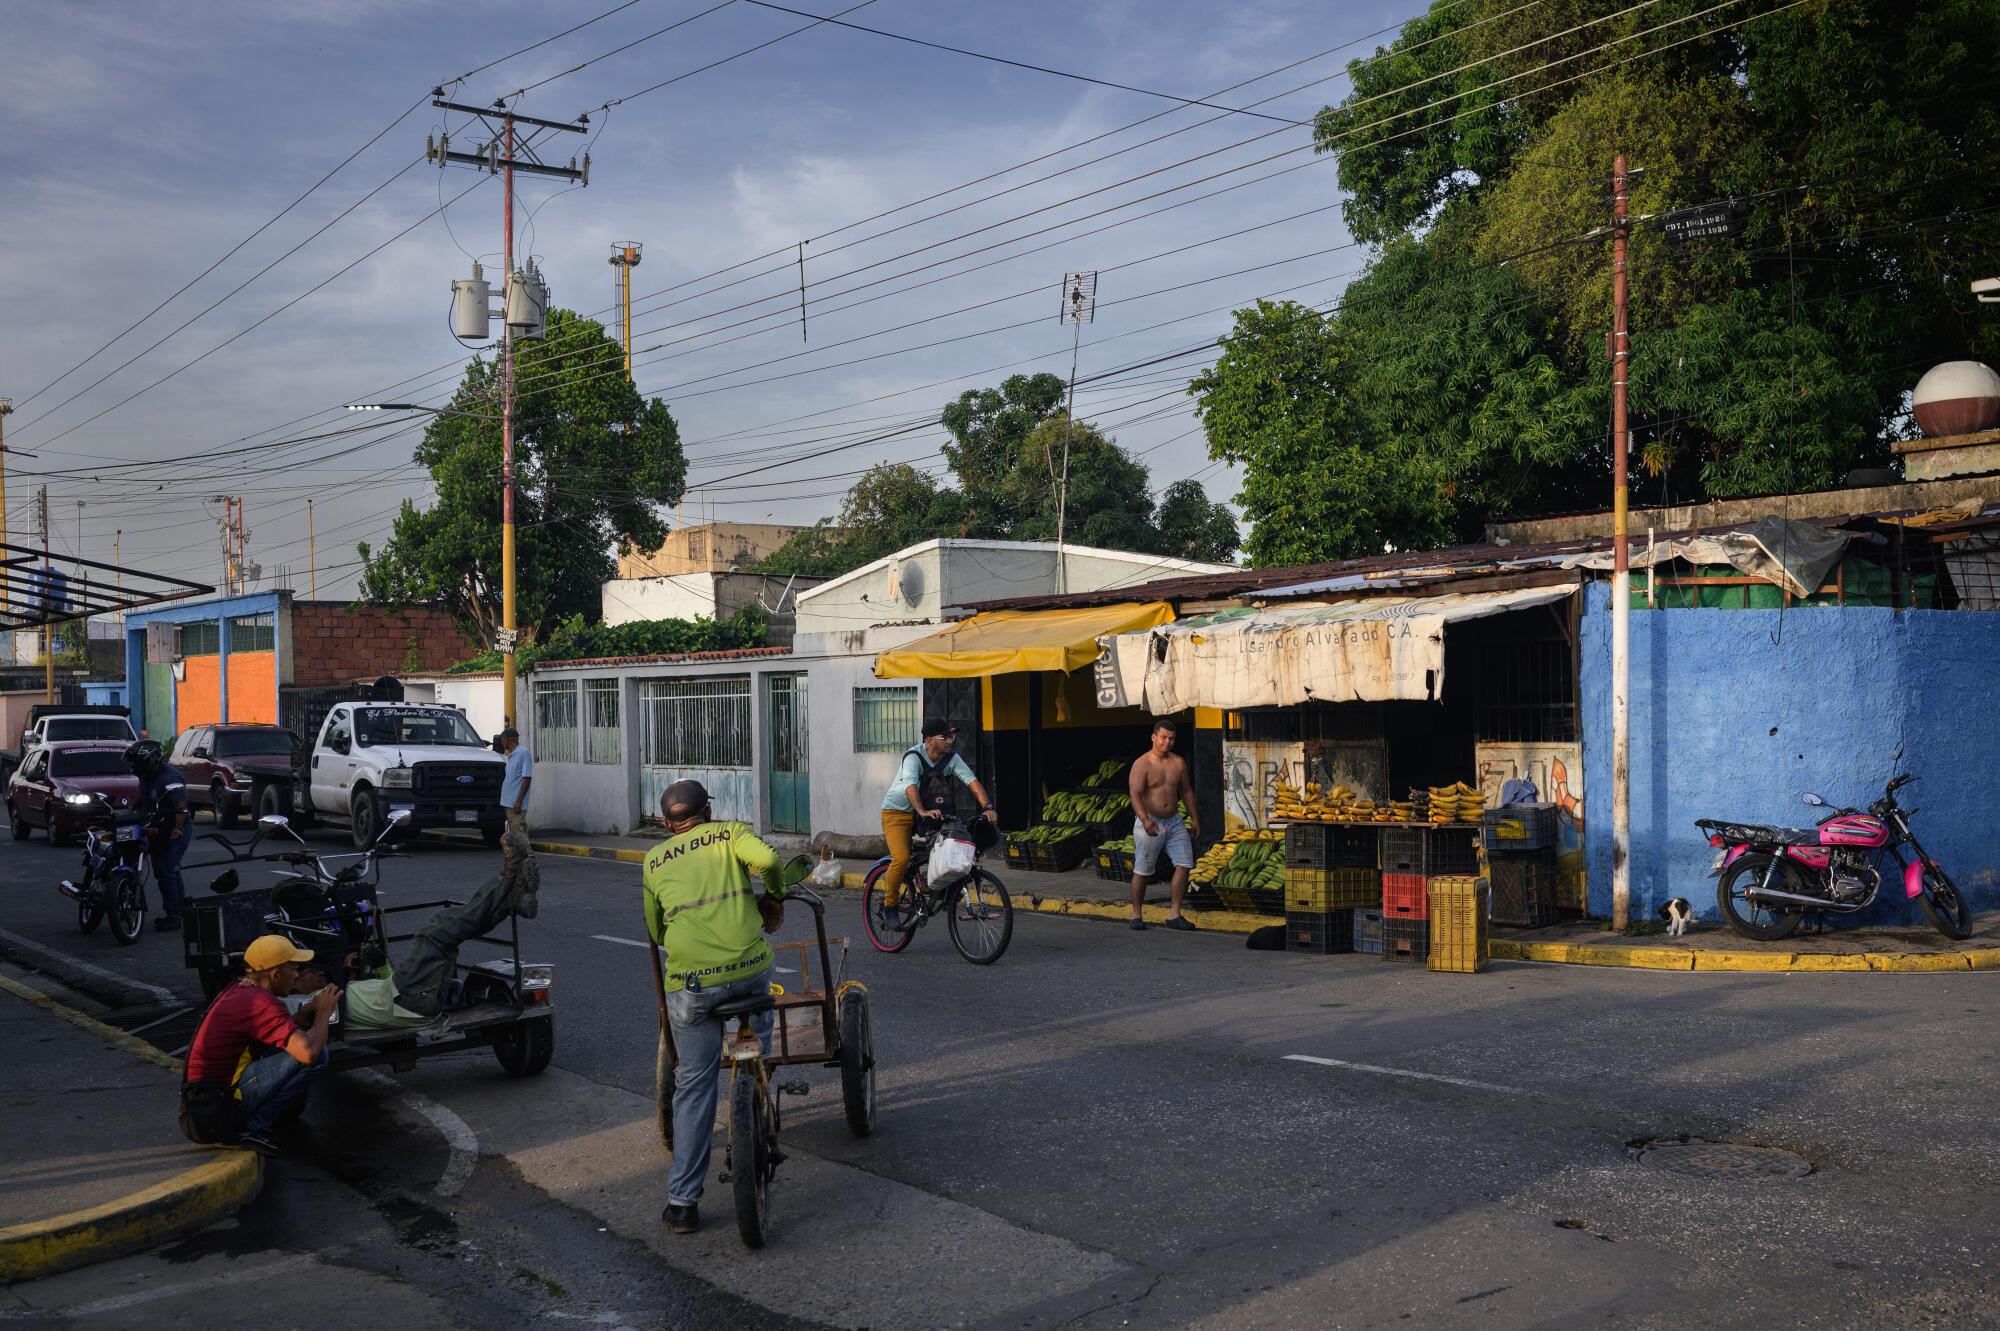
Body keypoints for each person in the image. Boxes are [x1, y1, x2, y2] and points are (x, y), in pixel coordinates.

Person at [641, 779, 788, 1236]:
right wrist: (774, 897)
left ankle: (682, 1203)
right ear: (708, 811)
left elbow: (658, 931)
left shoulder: (653, 860)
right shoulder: (729, 834)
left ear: (667, 823)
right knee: (760, 1014)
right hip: (749, 972)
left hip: (693, 987)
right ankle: (758, 1083)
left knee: (694, 1085)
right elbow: (768, 860)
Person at [179, 934, 339, 1155]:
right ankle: (250, 1127)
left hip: (204, 1104)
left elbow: (268, 1034)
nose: (296, 975)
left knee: (297, 1041)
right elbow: (308, 1052)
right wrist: (323, 1012)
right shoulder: (259, 1002)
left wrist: (303, 1012)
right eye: (292, 968)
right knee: (318, 1055)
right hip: (215, 1107)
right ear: (275, 974)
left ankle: (251, 1123)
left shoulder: (242, 991)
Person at [877, 719, 995, 932]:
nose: (950, 741)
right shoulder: (913, 757)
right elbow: (910, 787)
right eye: (945, 737)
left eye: (952, 736)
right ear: (928, 740)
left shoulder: (951, 758)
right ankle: (890, 907)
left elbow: (972, 781)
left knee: (951, 850)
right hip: (898, 813)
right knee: (902, 858)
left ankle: (938, 889)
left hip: (931, 814)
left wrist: (987, 806)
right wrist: (922, 811)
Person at [1128, 718, 1200, 931]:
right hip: (1150, 821)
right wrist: (1145, 820)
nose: (1167, 742)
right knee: (1143, 869)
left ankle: (1175, 913)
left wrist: (1194, 818)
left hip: (1175, 820)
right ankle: (1136, 914)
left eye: (1171, 738)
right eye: (1163, 737)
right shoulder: (1142, 764)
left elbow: (1186, 791)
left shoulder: (1178, 763)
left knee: (1185, 863)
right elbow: (1136, 795)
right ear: (1153, 737)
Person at [125, 739, 192, 932]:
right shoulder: (147, 775)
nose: (135, 767)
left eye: (138, 763)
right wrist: (128, 810)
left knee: (165, 870)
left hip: (173, 828)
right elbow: (141, 793)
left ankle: (174, 916)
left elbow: (181, 808)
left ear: (151, 759)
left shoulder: (171, 778)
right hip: (153, 826)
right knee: (164, 869)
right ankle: (180, 909)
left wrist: (177, 830)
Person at [497, 726, 533, 837]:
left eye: (502, 739)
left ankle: (528, 854)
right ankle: (519, 854)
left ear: (510, 739)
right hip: (508, 802)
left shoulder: (523, 753)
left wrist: (519, 801)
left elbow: (526, 778)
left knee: (518, 832)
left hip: (516, 803)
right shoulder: (510, 755)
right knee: (515, 832)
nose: (501, 742)